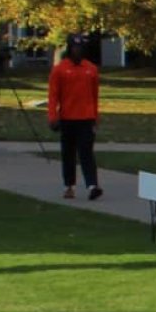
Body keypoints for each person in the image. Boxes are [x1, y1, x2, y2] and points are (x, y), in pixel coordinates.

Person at [47, 36, 102, 201]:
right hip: (67, 118)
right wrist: (52, 116)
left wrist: (95, 116)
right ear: (70, 49)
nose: (78, 50)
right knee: (68, 154)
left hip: (86, 118)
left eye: (80, 48)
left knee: (86, 152)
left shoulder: (91, 69)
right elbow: (53, 95)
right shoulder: (60, 69)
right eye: (75, 47)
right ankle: (69, 185)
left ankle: (92, 185)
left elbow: (95, 95)